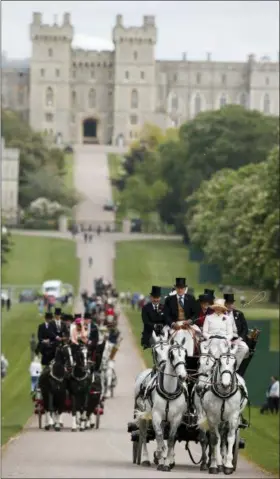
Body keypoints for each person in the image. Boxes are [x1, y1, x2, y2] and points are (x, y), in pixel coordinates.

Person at [224, 293, 249, 372]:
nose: (230, 305)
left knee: (244, 348)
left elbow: (245, 329)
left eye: (231, 303)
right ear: (224, 304)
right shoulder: (220, 313)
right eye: (228, 303)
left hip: (236, 339)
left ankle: (233, 368)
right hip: (223, 338)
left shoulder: (239, 314)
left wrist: (239, 339)